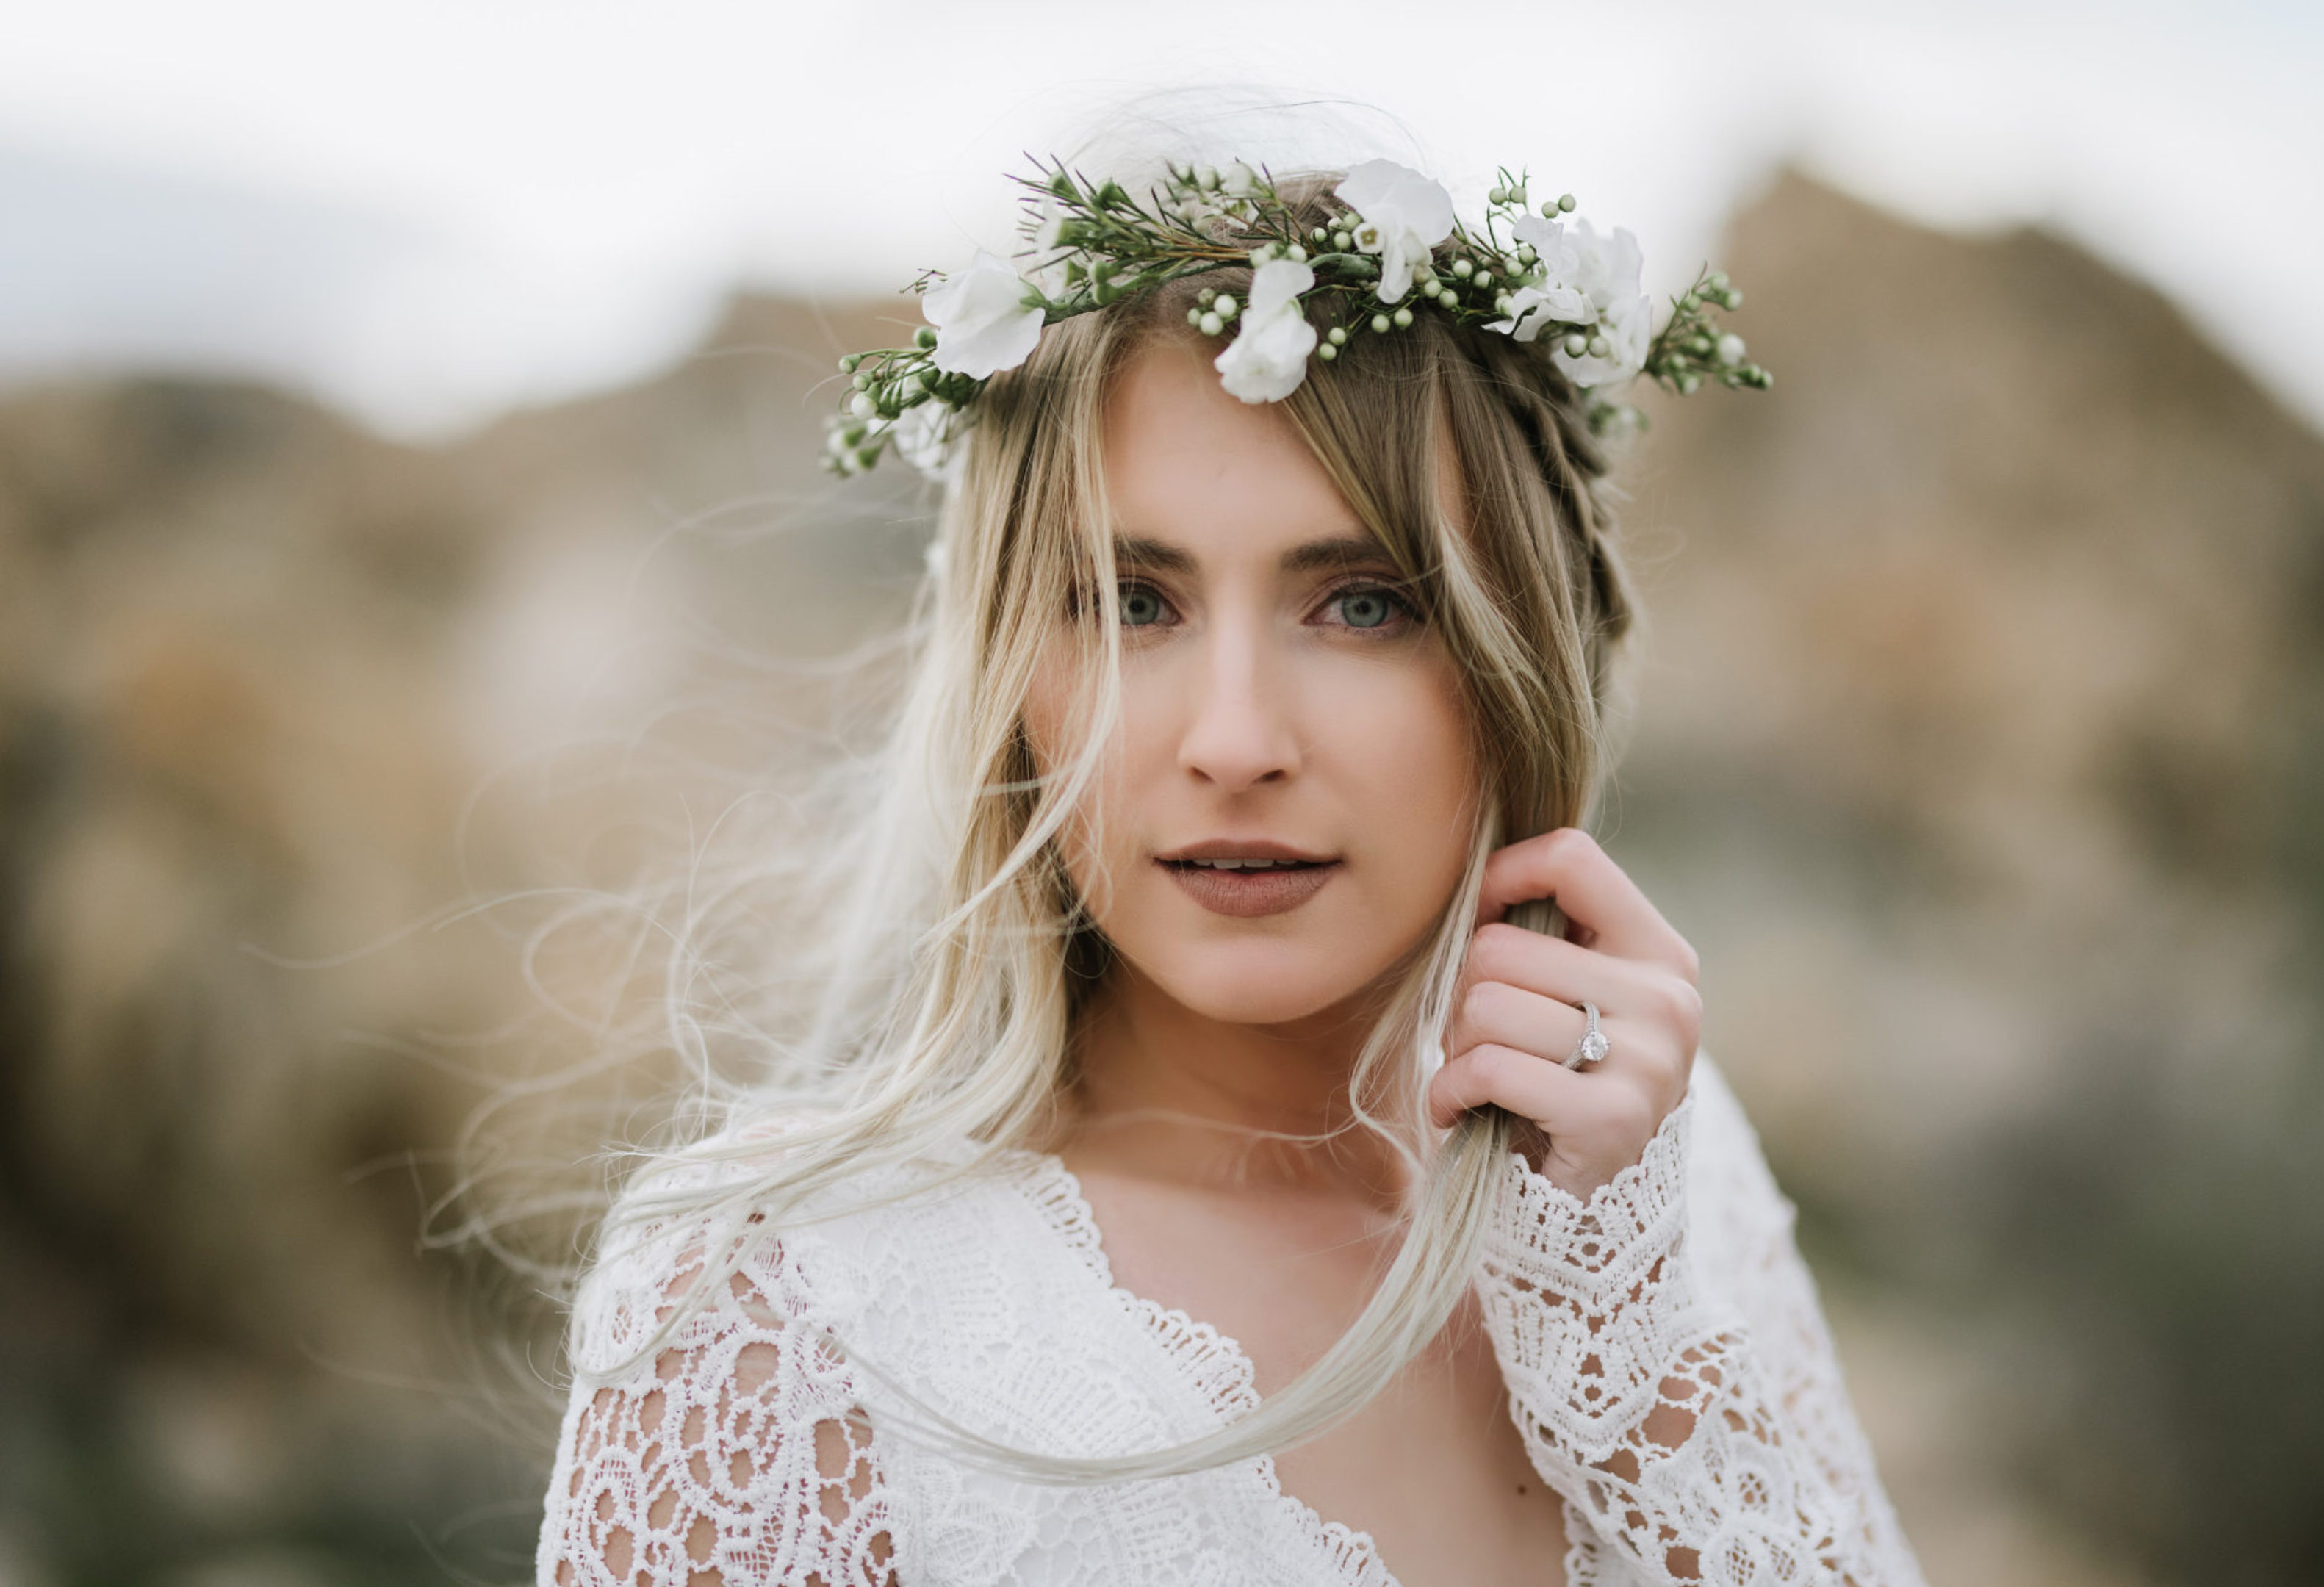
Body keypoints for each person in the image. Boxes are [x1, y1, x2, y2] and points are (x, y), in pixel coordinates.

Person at [530, 151, 1926, 1586]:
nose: (1238, 740)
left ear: (1523, 659)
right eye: (1132, 602)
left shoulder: (1652, 1188)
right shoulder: (775, 1310)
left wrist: (1637, 1365)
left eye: (1364, 602)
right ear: (1006, 665)